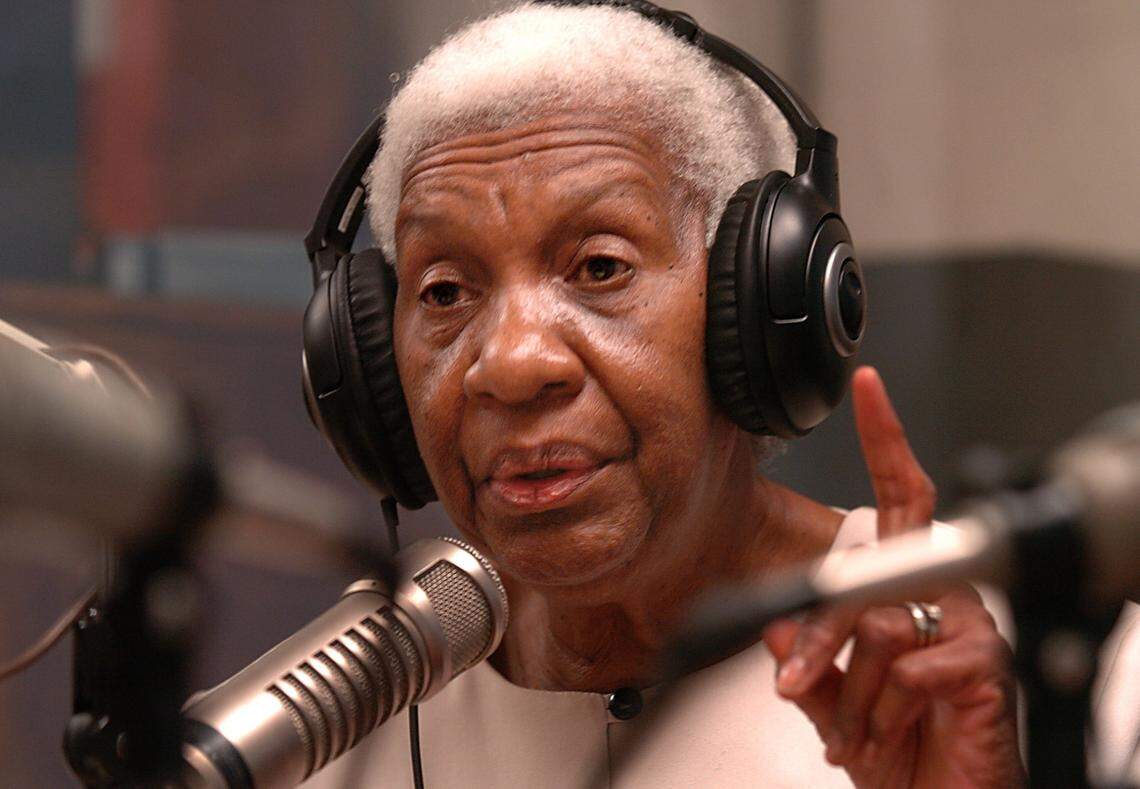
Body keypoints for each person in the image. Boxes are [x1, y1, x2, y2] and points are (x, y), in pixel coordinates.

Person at [303, 3, 1137, 786]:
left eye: (600, 267)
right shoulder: (337, 700)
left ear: (763, 312)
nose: (514, 364)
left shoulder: (1054, 678)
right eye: (445, 292)